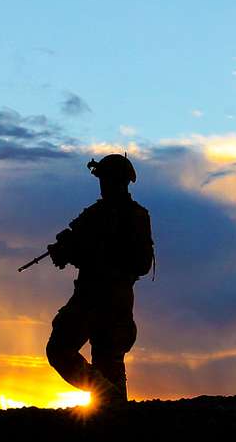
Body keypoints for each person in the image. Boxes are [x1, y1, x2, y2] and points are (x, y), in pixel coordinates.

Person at [43, 154, 155, 406]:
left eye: (106, 179)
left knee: (65, 351)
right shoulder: (105, 215)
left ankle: (110, 402)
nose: (103, 185)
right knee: (108, 365)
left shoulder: (127, 216)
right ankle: (112, 408)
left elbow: (140, 264)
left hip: (97, 298)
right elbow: (74, 250)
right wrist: (66, 251)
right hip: (113, 300)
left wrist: (82, 253)